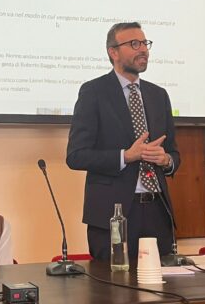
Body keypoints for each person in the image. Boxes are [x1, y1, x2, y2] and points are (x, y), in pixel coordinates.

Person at [66, 22, 180, 260]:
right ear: (113, 52)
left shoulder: (159, 95)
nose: (143, 50)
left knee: (162, 280)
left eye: (145, 43)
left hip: (157, 210)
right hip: (114, 213)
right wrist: (125, 156)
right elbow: (76, 156)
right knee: (114, 280)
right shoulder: (93, 92)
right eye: (134, 44)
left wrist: (166, 160)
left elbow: (173, 153)